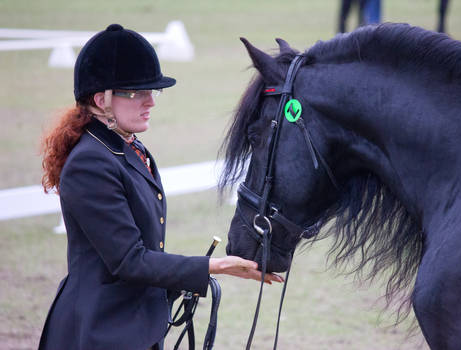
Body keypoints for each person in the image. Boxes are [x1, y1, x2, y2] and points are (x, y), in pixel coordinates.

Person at [38, 24, 282, 350]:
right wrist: (215, 266)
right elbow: (129, 260)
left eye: (153, 92)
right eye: (137, 93)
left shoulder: (129, 148)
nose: (150, 102)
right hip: (99, 331)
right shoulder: (90, 164)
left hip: (135, 324)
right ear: (102, 100)